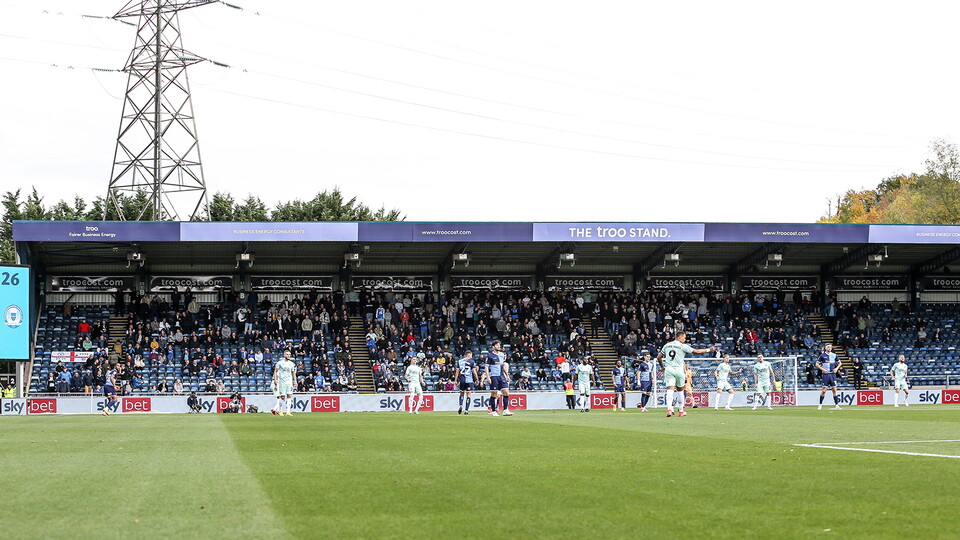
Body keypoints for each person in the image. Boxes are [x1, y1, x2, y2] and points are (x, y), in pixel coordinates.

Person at [658, 331, 713, 418]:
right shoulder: (683, 346)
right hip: (679, 369)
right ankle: (681, 411)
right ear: (679, 337)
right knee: (680, 390)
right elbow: (697, 351)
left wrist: (662, 366)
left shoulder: (667, 345)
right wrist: (709, 349)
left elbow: (659, 357)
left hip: (669, 369)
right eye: (684, 337)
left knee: (670, 390)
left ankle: (669, 410)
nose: (685, 339)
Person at [483, 341, 513, 417]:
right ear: (493, 347)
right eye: (497, 345)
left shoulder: (502, 355)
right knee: (494, 394)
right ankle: (493, 411)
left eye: (499, 345)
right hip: (494, 376)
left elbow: (503, 366)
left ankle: (505, 410)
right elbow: (486, 367)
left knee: (506, 392)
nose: (499, 346)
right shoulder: (490, 356)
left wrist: (507, 375)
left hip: (502, 376)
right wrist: (488, 377)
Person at [816, 344, 842, 410]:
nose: (829, 348)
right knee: (824, 390)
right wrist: (823, 369)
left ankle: (837, 405)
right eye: (828, 347)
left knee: (834, 390)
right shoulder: (822, 355)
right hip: (826, 375)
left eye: (830, 347)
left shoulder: (834, 355)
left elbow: (840, 363)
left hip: (833, 374)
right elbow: (817, 364)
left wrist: (836, 368)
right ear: (825, 348)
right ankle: (820, 404)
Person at [271, 350, 297, 416]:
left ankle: (288, 412)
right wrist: (275, 380)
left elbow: (293, 373)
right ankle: (280, 411)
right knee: (282, 397)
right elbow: (275, 371)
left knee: (289, 396)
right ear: (284, 355)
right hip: (282, 382)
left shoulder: (291, 364)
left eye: (289, 354)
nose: (288, 356)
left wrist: (295, 381)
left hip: (289, 382)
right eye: (287, 354)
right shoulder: (280, 363)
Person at [455, 350, 478, 415]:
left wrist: (456, 380)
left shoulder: (459, 361)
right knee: (469, 395)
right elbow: (474, 372)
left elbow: (457, 372)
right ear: (469, 355)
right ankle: (466, 410)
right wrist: (477, 379)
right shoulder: (472, 362)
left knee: (461, 393)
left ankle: (460, 405)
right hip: (469, 380)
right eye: (471, 355)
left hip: (462, 380)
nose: (471, 356)